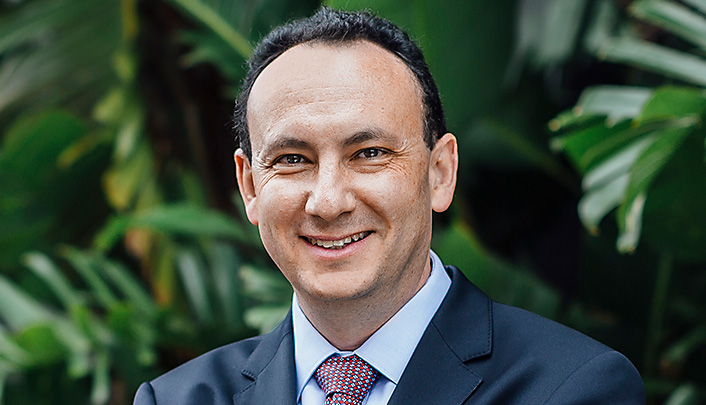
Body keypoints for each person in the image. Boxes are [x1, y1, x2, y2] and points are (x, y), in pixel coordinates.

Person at [134, 7, 645, 405]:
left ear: (440, 172)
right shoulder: (177, 398)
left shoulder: (572, 388)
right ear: (249, 186)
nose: (328, 201)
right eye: (292, 159)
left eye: (370, 154)